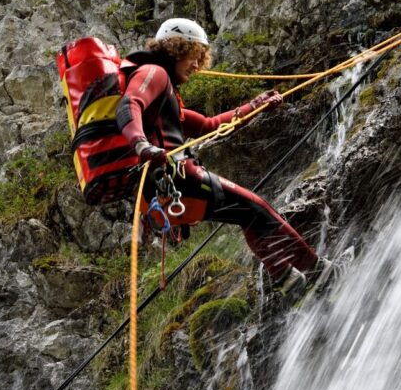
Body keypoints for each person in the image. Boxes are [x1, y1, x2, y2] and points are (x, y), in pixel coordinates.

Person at [116, 17, 320, 296]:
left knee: (248, 214)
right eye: (194, 56)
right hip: (174, 179)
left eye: (202, 58)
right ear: (175, 48)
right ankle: (318, 272)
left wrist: (256, 106)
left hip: (162, 190)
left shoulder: (167, 99)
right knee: (257, 208)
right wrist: (142, 146)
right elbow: (129, 104)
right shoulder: (154, 73)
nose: (198, 66)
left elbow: (209, 125)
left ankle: (285, 276)